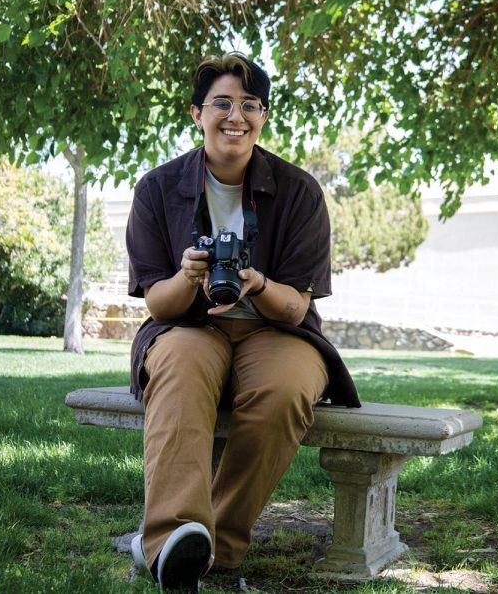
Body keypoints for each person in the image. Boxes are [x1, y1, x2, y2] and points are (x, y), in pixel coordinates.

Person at [125, 52, 361, 590]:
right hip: (188, 324)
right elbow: (158, 304)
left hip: (275, 328)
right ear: (196, 113)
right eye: (222, 103)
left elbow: (298, 307)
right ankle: (172, 541)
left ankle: (219, 549)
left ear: (264, 115)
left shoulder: (299, 191)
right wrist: (188, 276)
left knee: (284, 390)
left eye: (250, 104)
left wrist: (256, 283)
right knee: (180, 371)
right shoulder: (157, 189)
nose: (236, 115)